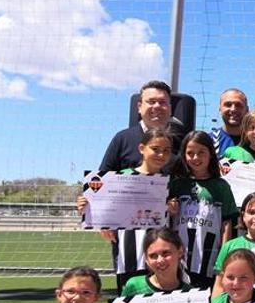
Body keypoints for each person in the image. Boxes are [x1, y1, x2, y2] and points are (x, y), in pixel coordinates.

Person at [80, 128, 177, 291]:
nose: (161, 155)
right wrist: (87, 207)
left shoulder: (169, 182)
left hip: (159, 256)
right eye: (155, 149)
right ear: (141, 148)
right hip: (128, 255)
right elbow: (101, 207)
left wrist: (173, 208)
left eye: (166, 151)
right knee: (130, 300)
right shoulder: (119, 177)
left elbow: (174, 214)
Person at [169, 130, 237, 288]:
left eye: (201, 153)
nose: (196, 158)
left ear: (211, 155)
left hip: (209, 257)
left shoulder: (221, 186)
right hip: (180, 257)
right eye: (190, 153)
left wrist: (224, 252)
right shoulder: (176, 185)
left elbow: (227, 222)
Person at [100, 80, 184, 172]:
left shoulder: (183, 142)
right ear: (139, 107)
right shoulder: (122, 139)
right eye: (151, 102)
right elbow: (101, 180)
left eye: (162, 102)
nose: (157, 106)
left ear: (170, 108)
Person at [211, 89, 249, 157]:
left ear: (247, 110)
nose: (233, 109)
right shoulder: (209, 141)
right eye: (228, 105)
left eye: (238, 105)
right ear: (220, 109)